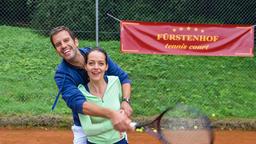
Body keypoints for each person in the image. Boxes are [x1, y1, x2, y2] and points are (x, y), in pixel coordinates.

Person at [50, 26, 133, 144]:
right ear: (56, 51)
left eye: (66, 40)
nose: (63, 45)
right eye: (58, 44)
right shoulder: (62, 75)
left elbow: (123, 78)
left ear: (76, 41)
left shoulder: (95, 55)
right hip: (85, 126)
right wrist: (112, 115)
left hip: (116, 125)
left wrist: (125, 101)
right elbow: (79, 104)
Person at [78, 48, 128, 144]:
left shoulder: (115, 82)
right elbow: (89, 130)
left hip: (120, 141)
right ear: (85, 66)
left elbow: (121, 109)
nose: (96, 67)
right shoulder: (81, 92)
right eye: (91, 63)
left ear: (106, 67)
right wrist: (116, 122)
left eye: (101, 63)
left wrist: (123, 112)